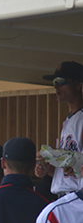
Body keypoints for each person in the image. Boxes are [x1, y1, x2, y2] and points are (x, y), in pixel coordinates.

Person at [35, 61, 83, 196]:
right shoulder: (69, 119)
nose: (56, 85)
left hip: (77, 196)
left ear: (79, 85)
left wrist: (76, 162)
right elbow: (69, 171)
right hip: (66, 196)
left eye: (61, 81)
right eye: (54, 81)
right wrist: (49, 168)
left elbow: (77, 164)